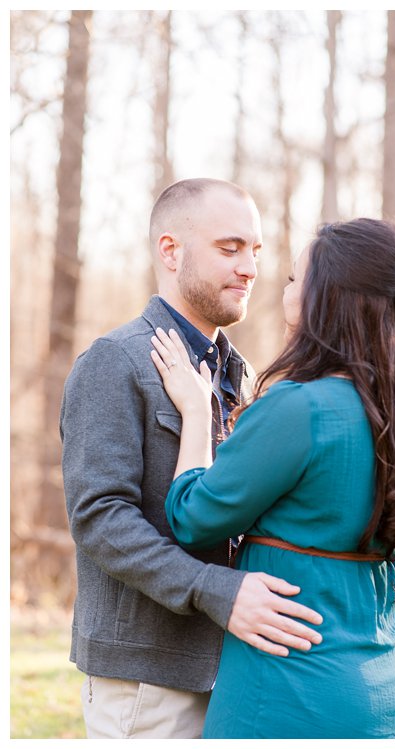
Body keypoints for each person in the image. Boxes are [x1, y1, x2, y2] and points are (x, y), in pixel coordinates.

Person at [149, 218, 395, 738]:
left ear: (324, 297)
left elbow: (193, 518)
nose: (278, 285)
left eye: (292, 278)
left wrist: (197, 412)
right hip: (377, 693)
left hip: (285, 693)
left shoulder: (300, 407)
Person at [61, 178, 324, 739]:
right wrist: (216, 592)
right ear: (171, 250)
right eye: (230, 249)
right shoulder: (115, 363)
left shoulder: (246, 376)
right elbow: (100, 519)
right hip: (146, 682)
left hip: (238, 673)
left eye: (255, 250)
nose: (250, 267)